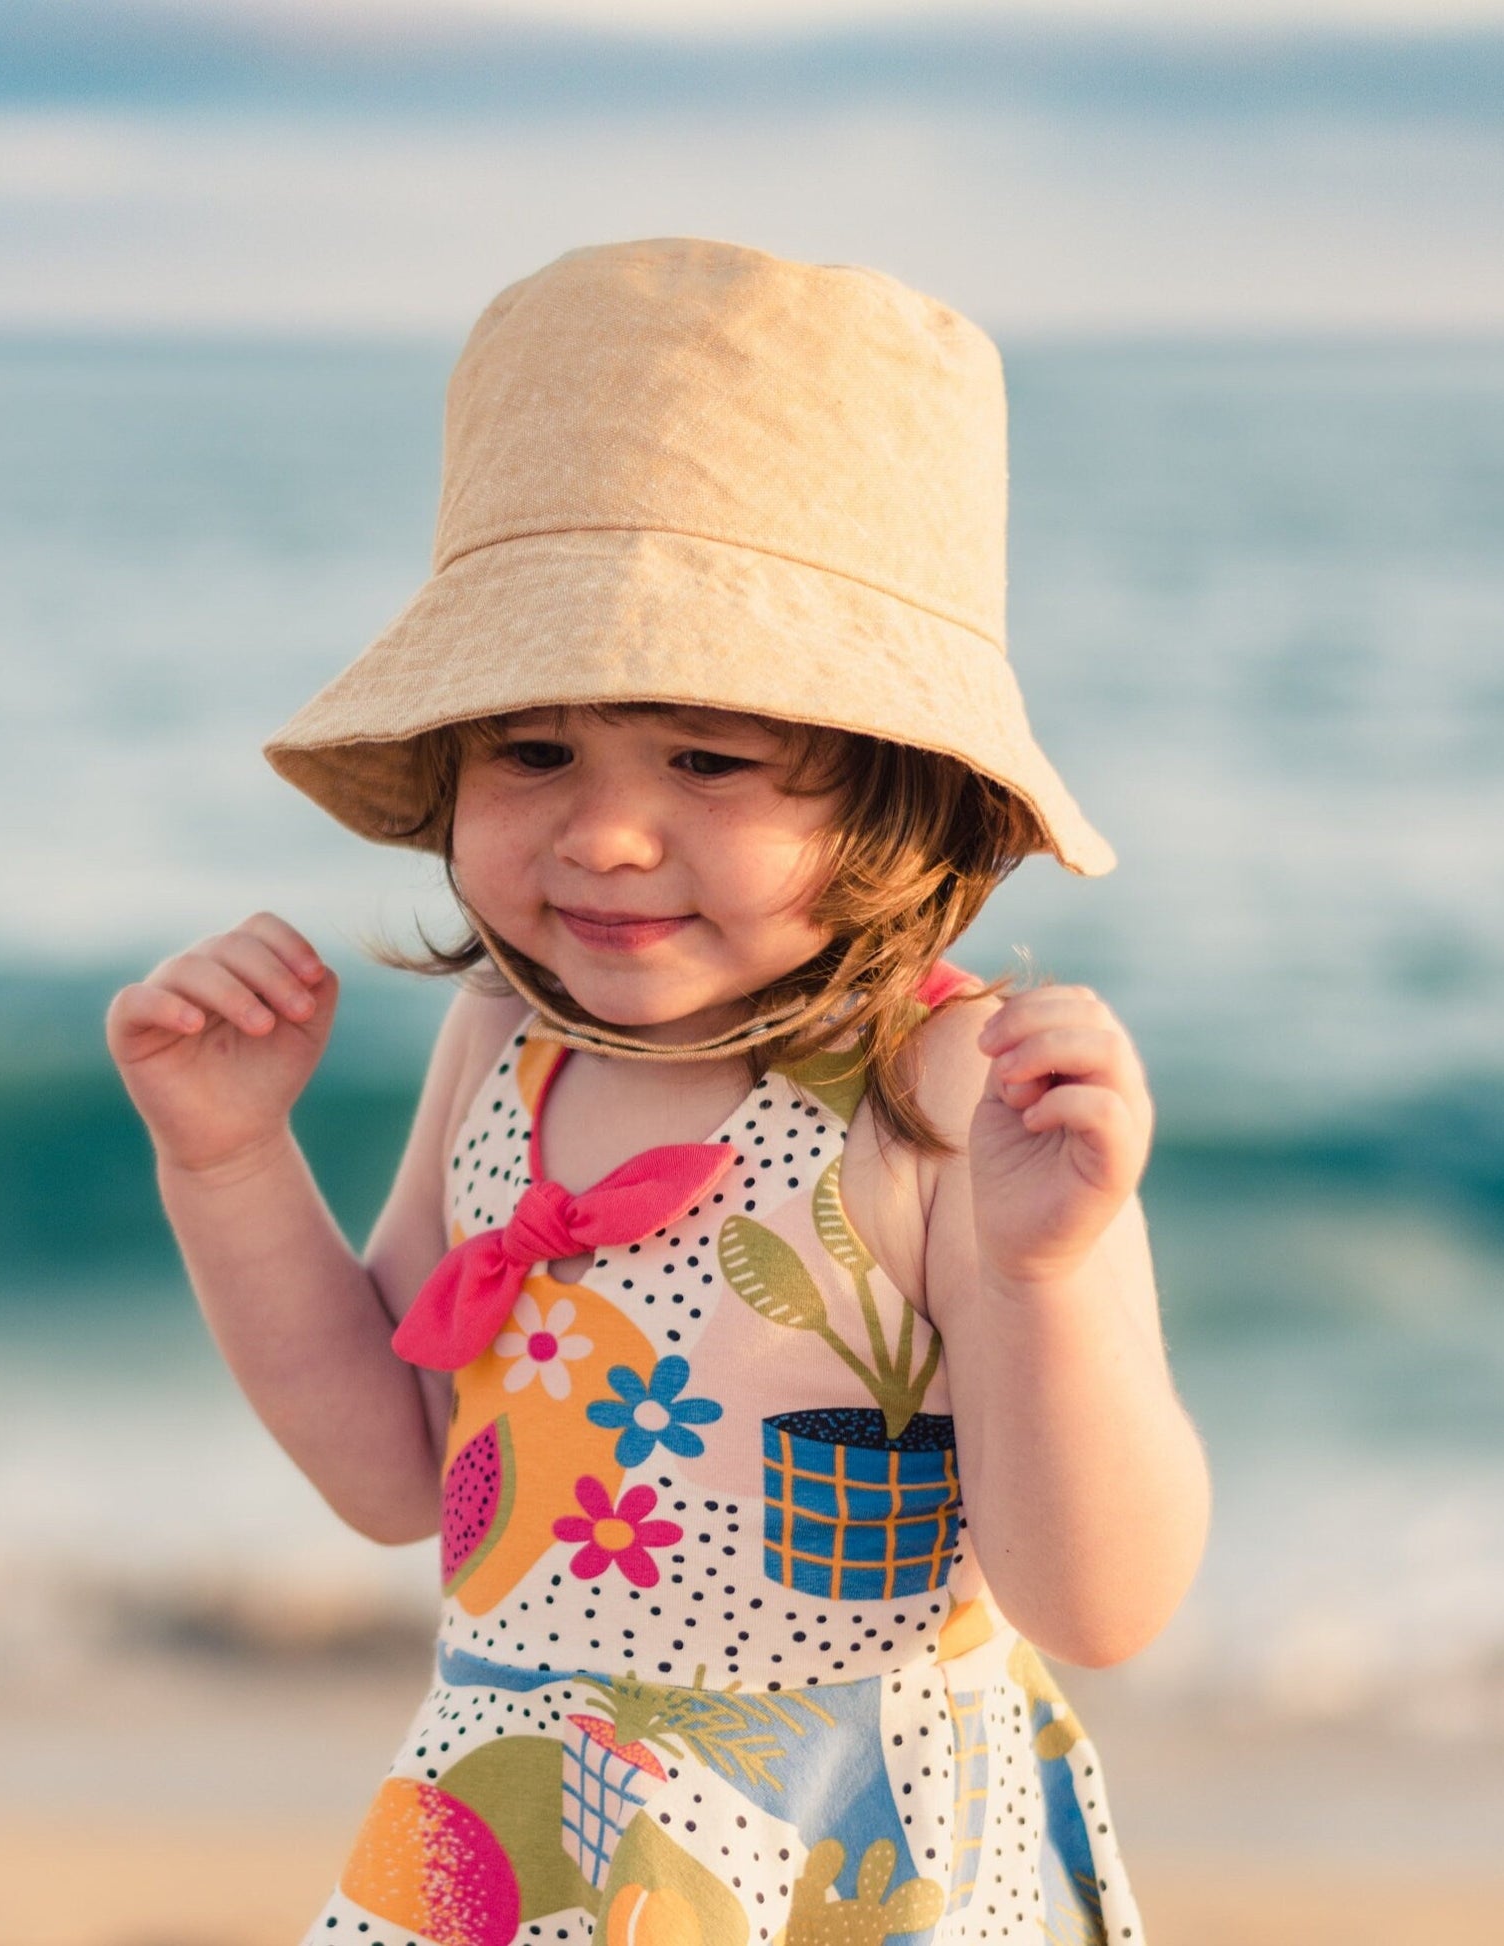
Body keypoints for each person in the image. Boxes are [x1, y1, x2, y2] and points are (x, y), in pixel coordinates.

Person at [107, 239, 1208, 1944]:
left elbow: (1102, 1594)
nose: (604, 832)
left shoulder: (946, 1093)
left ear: (896, 789)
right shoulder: (503, 1045)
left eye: (707, 758)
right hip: (523, 1827)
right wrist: (229, 1157)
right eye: (531, 750)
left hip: (855, 1854)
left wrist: (1049, 1270)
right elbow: (401, 1469)